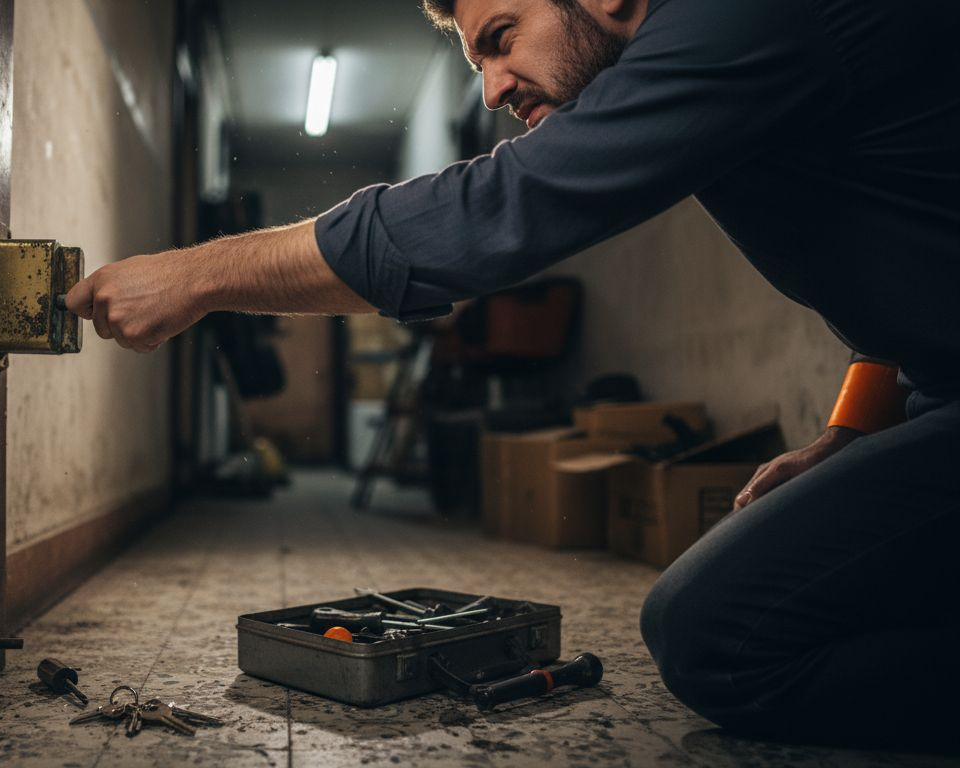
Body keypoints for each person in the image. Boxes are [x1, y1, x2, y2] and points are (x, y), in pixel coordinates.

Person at [65, 0, 959, 748]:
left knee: (716, 641)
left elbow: (493, 209)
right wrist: (852, 430)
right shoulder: (745, 62)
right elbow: (897, 252)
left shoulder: (744, 16)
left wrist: (195, 275)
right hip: (933, 403)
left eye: (501, 37)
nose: (492, 88)